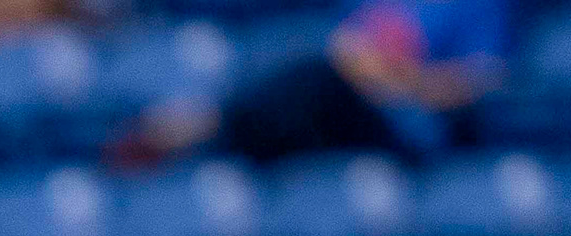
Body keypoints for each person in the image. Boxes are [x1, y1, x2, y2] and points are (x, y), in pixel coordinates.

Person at [117, 0, 509, 166]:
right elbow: (346, 44)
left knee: (310, 78)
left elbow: (484, 79)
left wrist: (405, 81)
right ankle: (217, 131)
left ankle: (206, 125)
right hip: (347, 101)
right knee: (298, 66)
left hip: (406, 120)